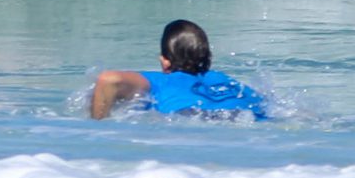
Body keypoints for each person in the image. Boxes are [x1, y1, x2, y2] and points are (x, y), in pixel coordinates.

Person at [89, 19, 267, 120]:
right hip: (240, 116)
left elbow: (108, 79)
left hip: (188, 117)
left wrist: (99, 127)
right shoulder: (231, 84)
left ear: (165, 62)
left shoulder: (159, 81)